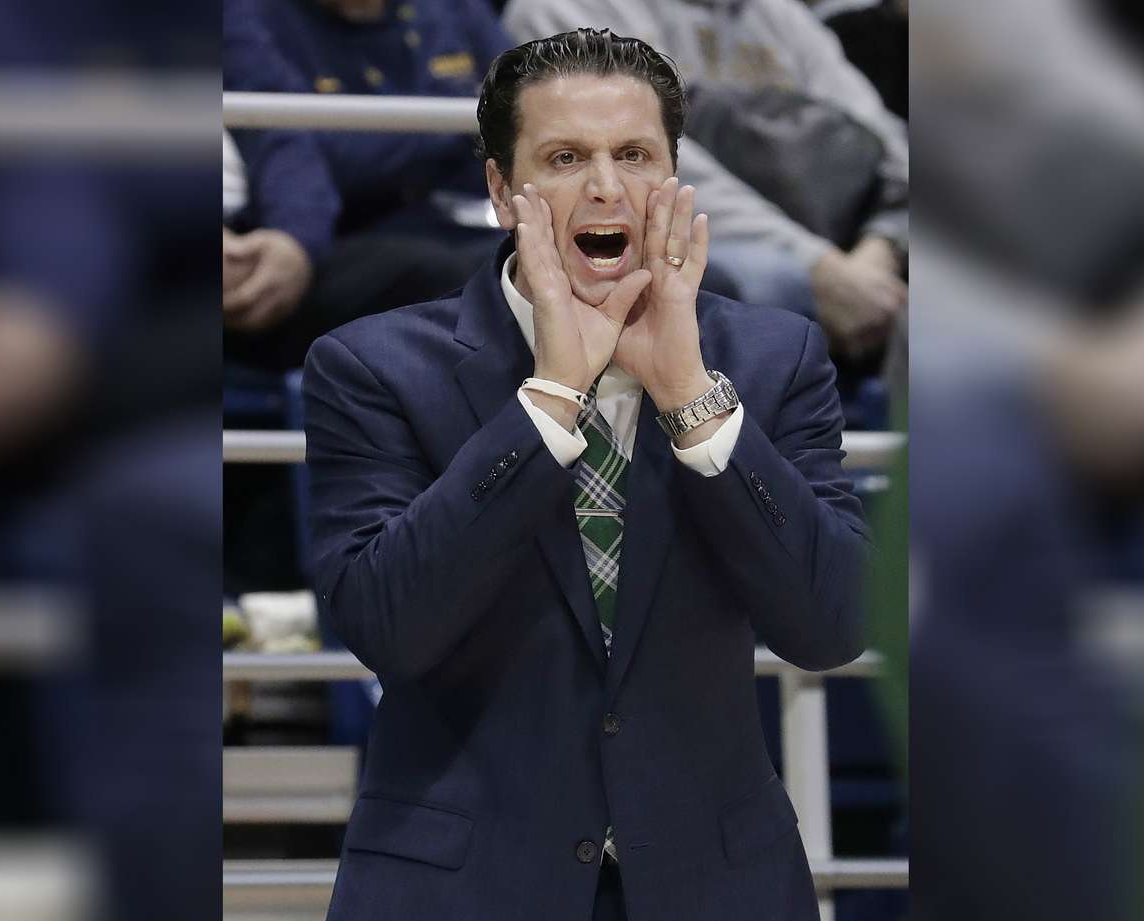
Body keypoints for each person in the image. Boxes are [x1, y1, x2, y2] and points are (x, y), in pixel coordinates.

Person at [304, 29, 868, 921]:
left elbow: (832, 623)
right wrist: (552, 398)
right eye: (565, 156)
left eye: (635, 154)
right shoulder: (372, 369)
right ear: (500, 191)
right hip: (462, 888)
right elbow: (388, 628)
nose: (606, 186)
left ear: (674, 178)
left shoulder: (769, 358)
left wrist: (688, 396)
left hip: (715, 884)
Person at [504, 0, 909, 365]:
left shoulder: (783, 18)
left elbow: (892, 149)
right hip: (657, 237)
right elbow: (646, 173)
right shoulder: (563, 11)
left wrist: (881, 248)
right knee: (771, 280)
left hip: (849, 247)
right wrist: (817, 265)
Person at [223, 0, 515, 369]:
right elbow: (297, 145)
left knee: (552, 259)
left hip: (468, 225)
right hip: (339, 241)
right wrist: (457, 124)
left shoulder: (455, 8)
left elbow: (524, 113)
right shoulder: (247, 18)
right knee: (472, 275)